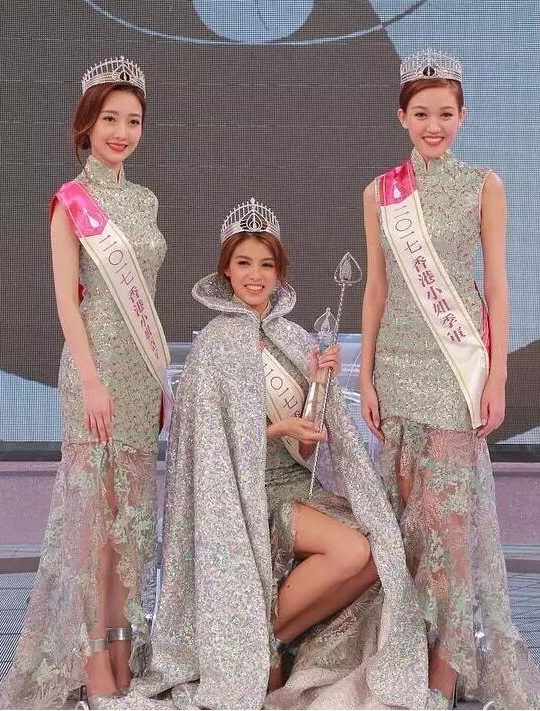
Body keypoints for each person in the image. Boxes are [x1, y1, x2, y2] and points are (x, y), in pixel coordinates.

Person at [115, 198, 429, 711]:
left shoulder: (295, 339)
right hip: (242, 498)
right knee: (352, 551)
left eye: (266, 264)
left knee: (381, 554)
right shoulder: (213, 347)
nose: (255, 276)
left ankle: (266, 641)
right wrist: (274, 427)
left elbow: (306, 445)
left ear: (279, 271)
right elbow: (204, 449)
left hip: (294, 484)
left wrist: (320, 386)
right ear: (226, 270)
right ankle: (257, 646)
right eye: (244, 263)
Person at [361, 48, 540, 708]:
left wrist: (497, 376)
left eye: (445, 113)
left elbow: (496, 286)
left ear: (462, 116)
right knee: (406, 528)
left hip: (454, 370)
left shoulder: (484, 185)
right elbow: (377, 288)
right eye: (421, 113)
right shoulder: (380, 193)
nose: (433, 125)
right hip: (397, 369)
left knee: (449, 532)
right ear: (401, 117)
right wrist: (366, 375)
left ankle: (444, 674)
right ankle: (406, 661)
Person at [0, 57, 170, 710]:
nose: (122, 132)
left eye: (133, 121)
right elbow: (68, 303)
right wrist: (92, 380)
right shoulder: (71, 202)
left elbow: (145, 296)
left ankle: (123, 653)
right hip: (93, 375)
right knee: (95, 524)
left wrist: (157, 376)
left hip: (140, 375)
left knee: (131, 525)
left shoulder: (145, 201)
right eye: (110, 120)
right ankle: (94, 666)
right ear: (87, 125)